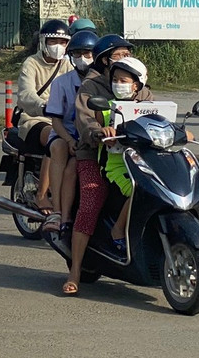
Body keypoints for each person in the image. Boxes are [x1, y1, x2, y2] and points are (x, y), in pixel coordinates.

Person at [63, 33, 135, 294]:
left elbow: (157, 114)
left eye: (128, 55)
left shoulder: (138, 85)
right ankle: (75, 271)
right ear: (105, 60)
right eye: (120, 55)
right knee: (92, 199)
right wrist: (97, 131)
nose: (126, 59)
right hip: (94, 154)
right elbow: (84, 122)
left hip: (133, 155)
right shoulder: (91, 87)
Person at [41, 28, 99, 233]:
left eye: (87, 54)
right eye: (77, 54)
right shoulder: (62, 83)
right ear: (71, 56)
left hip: (94, 135)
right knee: (58, 148)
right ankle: (57, 212)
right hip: (65, 132)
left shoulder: (104, 83)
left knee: (74, 167)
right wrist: (68, 140)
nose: (82, 59)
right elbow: (55, 119)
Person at [98, 55, 153, 255]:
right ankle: (118, 230)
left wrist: (180, 132)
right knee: (139, 191)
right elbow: (98, 128)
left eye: (124, 81)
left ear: (137, 86)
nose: (118, 84)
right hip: (117, 166)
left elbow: (160, 124)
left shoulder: (148, 108)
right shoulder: (107, 108)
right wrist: (104, 131)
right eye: (115, 80)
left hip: (144, 164)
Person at [16, 20, 72, 209]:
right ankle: (41, 194)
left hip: (64, 119)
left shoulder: (68, 65)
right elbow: (26, 95)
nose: (58, 46)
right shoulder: (31, 63)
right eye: (53, 41)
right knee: (55, 138)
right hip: (35, 119)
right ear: (43, 42)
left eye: (62, 42)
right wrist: (44, 106)